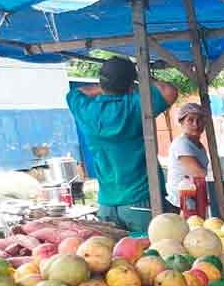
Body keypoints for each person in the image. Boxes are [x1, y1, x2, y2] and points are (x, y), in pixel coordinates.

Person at [67, 57, 178, 231]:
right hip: (141, 201)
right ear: (130, 85)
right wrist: (140, 80)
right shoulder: (135, 106)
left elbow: (78, 92)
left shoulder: (86, 109)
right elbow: (168, 90)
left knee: (116, 257)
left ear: (101, 83)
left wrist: (104, 87)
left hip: (106, 204)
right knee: (152, 256)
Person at [165, 102, 209, 214]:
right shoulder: (182, 144)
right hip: (181, 203)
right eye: (190, 120)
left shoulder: (198, 145)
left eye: (199, 120)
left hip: (194, 198)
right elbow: (199, 173)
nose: (196, 124)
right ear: (181, 122)